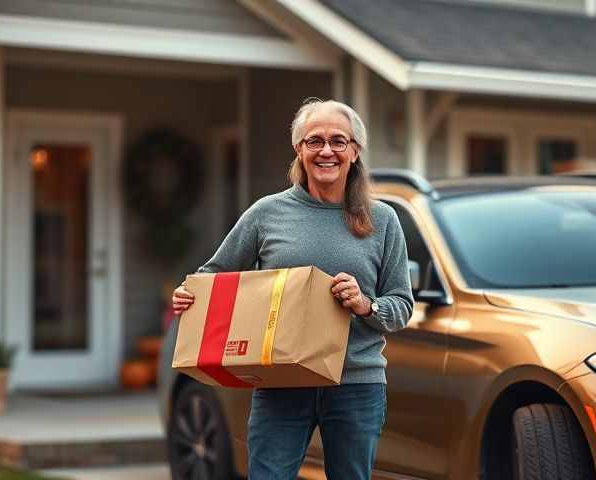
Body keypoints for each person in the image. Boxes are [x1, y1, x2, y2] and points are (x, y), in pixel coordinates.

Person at [171, 97, 414, 480]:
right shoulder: (266, 213)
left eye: (338, 141)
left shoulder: (383, 220)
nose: (326, 151)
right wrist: (190, 296)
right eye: (314, 141)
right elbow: (213, 278)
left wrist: (365, 305)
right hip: (280, 381)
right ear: (299, 150)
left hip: (355, 384)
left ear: (354, 151)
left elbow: (401, 306)